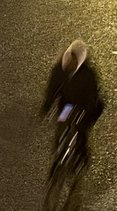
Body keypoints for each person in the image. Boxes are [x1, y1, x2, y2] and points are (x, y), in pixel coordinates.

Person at [40, 39, 104, 171]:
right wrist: (46, 107)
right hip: (67, 105)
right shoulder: (59, 70)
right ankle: (58, 154)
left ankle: (81, 158)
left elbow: (92, 96)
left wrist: (87, 112)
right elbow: (52, 89)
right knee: (61, 123)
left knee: (81, 130)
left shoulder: (88, 74)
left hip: (84, 107)